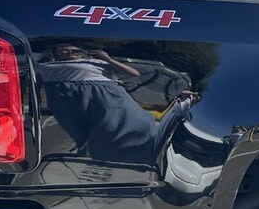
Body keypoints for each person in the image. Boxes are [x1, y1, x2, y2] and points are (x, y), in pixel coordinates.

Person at [38, 45, 191, 165]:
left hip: (103, 93)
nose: (71, 52)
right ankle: (98, 156)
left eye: (75, 50)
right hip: (63, 96)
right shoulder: (47, 66)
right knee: (78, 129)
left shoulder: (96, 62)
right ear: (55, 52)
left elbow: (134, 73)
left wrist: (108, 59)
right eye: (65, 51)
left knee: (128, 124)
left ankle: (137, 154)